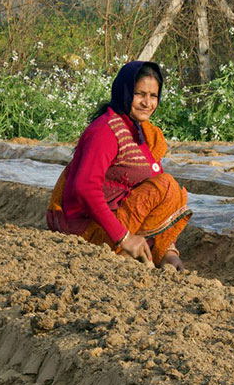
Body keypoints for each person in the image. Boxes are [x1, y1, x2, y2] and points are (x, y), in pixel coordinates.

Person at [47, 61, 192, 270]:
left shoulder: (146, 134)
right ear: (124, 92)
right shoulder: (105, 130)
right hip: (89, 229)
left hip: (118, 221)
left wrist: (168, 252)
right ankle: (121, 251)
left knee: (172, 192)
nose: (147, 102)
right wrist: (123, 237)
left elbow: (153, 203)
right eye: (140, 94)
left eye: (153, 96)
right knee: (165, 186)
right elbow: (85, 187)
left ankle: (155, 253)